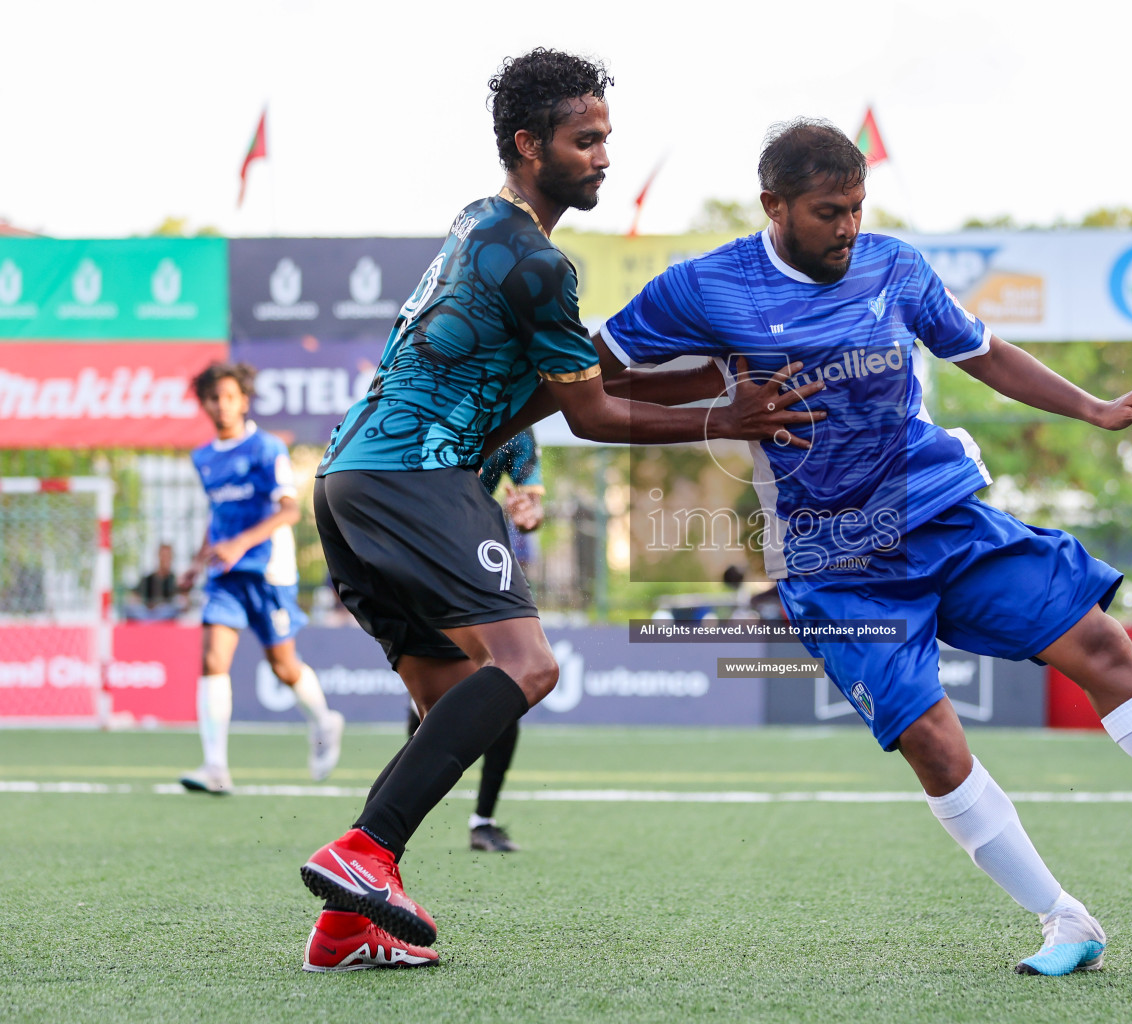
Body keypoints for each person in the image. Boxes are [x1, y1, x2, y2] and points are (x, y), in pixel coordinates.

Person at [579, 118, 1132, 977]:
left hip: (941, 513)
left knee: (1102, 643)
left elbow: (983, 351)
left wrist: (1096, 408)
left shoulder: (894, 265)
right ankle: (1063, 919)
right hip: (835, 565)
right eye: (825, 212)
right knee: (933, 740)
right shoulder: (704, 287)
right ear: (774, 205)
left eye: (855, 207)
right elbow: (598, 375)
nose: (847, 227)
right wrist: (717, 409)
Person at [296, 50, 821, 973]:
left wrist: (709, 373)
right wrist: (721, 415)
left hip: (351, 478)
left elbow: (549, 386)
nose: (604, 156)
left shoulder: (481, 224)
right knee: (529, 668)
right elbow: (586, 412)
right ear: (528, 143)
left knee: (450, 701)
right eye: (586, 141)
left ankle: (346, 922)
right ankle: (363, 854)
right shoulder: (540, 260)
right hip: (417, 476)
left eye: (607, 138)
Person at [179, 362, 345, 795]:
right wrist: (198, 562)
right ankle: (215, 767)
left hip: (269, 572)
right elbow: (218, 518)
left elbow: (289, 510)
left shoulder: (266, 448)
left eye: (229, 397)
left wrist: (240, 545)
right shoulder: (203, 457)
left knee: (283, 666)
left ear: (244, 401)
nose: (221, 405)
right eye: (213, 398)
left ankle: (324, 721)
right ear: (205, 404)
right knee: (213, 658)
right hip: (225, 577)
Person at [403, 429, 544, 855]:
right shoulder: (431, 410)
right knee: (430, 699)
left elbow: (531, 506)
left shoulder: (519, 428)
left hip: (480, 562)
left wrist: (528, 516)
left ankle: (483, 820)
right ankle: (393, 813)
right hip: (420, 561)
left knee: (509, 680)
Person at [124, 542, 185, 622]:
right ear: (159, 556)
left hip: (165, 615)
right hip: (147, 614)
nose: (165, 559)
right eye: (163, 556)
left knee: (170, 608)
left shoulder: (175, 580)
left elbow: (181, 601)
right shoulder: (148, 579)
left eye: (168, 556)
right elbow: (134, 596)